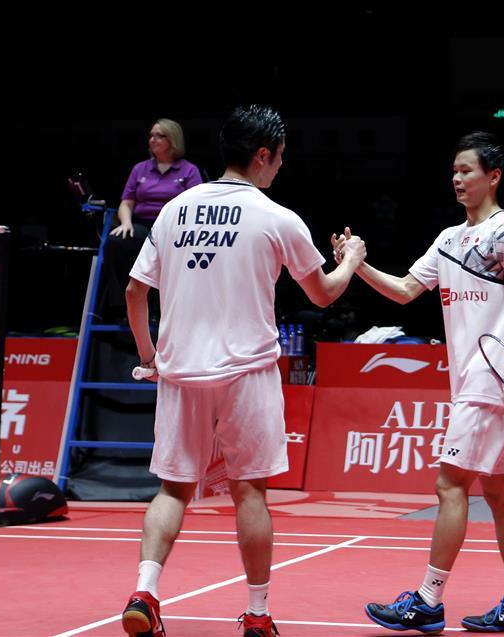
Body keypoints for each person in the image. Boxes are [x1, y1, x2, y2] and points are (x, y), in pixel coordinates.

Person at [121, 105, 366, 637]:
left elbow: (135, 290)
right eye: (278, 159)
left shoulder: (175, 210)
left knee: (172, 491)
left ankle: (145, 591)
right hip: (247, 374)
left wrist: (148, 355)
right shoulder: (276, 216)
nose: (279, 168)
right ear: (263, 155)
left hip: (181, 374)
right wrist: (352, 259)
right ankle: (257, 612)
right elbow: (323, 293)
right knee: (249, 492)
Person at [342, 131, 504, 634]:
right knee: (499, 491)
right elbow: (404, 291)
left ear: (493, 176)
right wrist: (356, 264)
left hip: (492, 379)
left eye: (467, 171)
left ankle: (428, 600)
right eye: (454, 171)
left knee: (449, 484)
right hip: (470, 384)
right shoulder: (449, 238)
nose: (458, 179)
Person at [103, 118, 203, 320]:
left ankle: (164, 310)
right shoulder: (140, 169)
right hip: (143, 225)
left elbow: (197, 205)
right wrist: (126, 222)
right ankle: (123, 306)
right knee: (117, 242)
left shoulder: (189, 171)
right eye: (151, 135)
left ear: (173, 140)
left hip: (174, 229)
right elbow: (127, 202)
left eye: (160, 135)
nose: (153, 139)